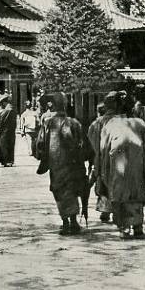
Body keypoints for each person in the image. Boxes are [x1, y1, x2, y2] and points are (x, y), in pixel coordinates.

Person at [98, 92, 145, 239]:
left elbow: (103, 152)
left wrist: (104, 174)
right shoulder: (140, 124)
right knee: (136, 195)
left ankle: (124, 226)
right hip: (137, 170)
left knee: (120, 196)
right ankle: (137, 225)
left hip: (117, 170)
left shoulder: (109, 126)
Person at [35, 94, 92, 236]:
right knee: (72, 190)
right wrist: (85, 157)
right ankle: (73, 221)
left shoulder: (48, 123)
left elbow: (40, 144)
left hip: (56, 164)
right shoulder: (74, 123)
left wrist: (42, 157)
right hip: (73, 164)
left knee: (60, 191)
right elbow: (84, 144)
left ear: (52, 105)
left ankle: (66, 222)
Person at [87, 100, 114, 223]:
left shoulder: (96, 124)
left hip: (100, 157)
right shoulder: (117, 122)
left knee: (102, 183)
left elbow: (90, 143)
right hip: (114, 157)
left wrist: (92, 160)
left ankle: (105, 210)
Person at [0, 94, 18, 167]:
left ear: (4, 102)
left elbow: (0, 120)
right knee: (10, 145)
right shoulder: (12, 109)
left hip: (5, 131)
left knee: (4, 145)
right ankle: (9, 160)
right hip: (11, 131)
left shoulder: (7, 110)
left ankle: (6, 161)